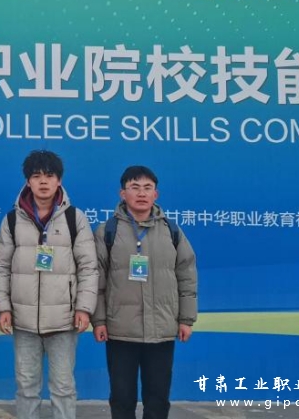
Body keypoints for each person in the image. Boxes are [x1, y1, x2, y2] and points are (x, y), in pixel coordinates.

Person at [0, 150, 98, 419]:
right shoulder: (12, 220)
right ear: (28, 181)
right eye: (36, 176)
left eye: (49, 176)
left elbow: (88, 267)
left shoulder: (75, 218)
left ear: (59, 180)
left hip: (64, 321)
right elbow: (1, 267)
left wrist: (84, 308)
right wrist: (3, 308)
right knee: (26, 387)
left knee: (63, 387)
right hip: (23, 321)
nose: (43, 181)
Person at [92, 165, 197, 419]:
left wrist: (186, 319)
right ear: (122, 193)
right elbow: (96, 280)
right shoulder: (107, 231)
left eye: (147, 188)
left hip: (161, 329)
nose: (141, 193)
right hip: (120, 330)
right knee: (122, 397)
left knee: (158, 398)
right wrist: (99, 320)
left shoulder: (171, 231)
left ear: (155, 194)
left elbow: (186, 275)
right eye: (134, 187)